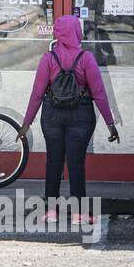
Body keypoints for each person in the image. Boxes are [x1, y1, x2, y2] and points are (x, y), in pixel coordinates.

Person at [20, 15, 118, 225]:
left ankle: (51, 212)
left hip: (52, 114)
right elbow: (99, 93)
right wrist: (110, 123)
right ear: (76, 31)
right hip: (81, 113)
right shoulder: (86, 58)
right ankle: (78, 214)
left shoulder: (48, 59)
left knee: (53, 161)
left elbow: (37, 93)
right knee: (76, 162)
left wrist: (26, 123)